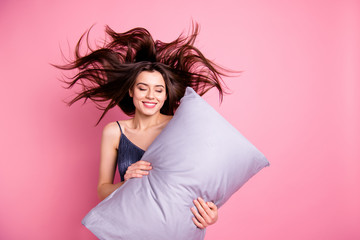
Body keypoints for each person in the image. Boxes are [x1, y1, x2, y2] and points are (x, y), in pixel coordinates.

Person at [57, 23, 231, 229]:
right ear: (131, 91)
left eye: (158, 90)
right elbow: (103, 190)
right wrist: (127, 182)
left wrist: (212, 213)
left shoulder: (179, 127)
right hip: (128, 228)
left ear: (166, 95)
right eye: (143, 88)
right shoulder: (114, 132)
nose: (151, 96)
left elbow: (201, 182)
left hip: (173, 229)